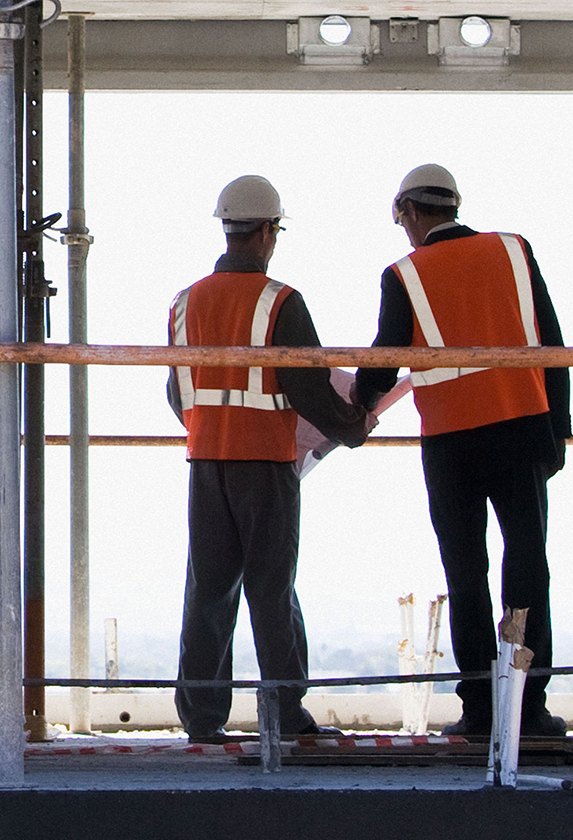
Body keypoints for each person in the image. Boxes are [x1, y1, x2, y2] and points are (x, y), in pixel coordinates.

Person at [354, 164, 571, 738]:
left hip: (452, 442)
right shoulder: (513, 249)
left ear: (409, 212)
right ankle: (528, 705)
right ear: (452, 205)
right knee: (527, 564)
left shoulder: (404, 273)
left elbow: (386, 356)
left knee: (467, 571)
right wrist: (559, 433)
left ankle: (480, 707)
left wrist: (355, 408)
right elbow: (553, 342)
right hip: (524, 428)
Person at [168, 174, 371, 743]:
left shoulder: (185, 303)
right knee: (271, 586)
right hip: (266, 461)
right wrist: (353, 427)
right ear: (265, 232)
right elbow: (307, 390)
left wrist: (212, 431)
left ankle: (203, 719)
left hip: (207, 460)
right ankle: (283, 711)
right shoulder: (281, 302)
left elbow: (176, 391)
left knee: (208, 588)